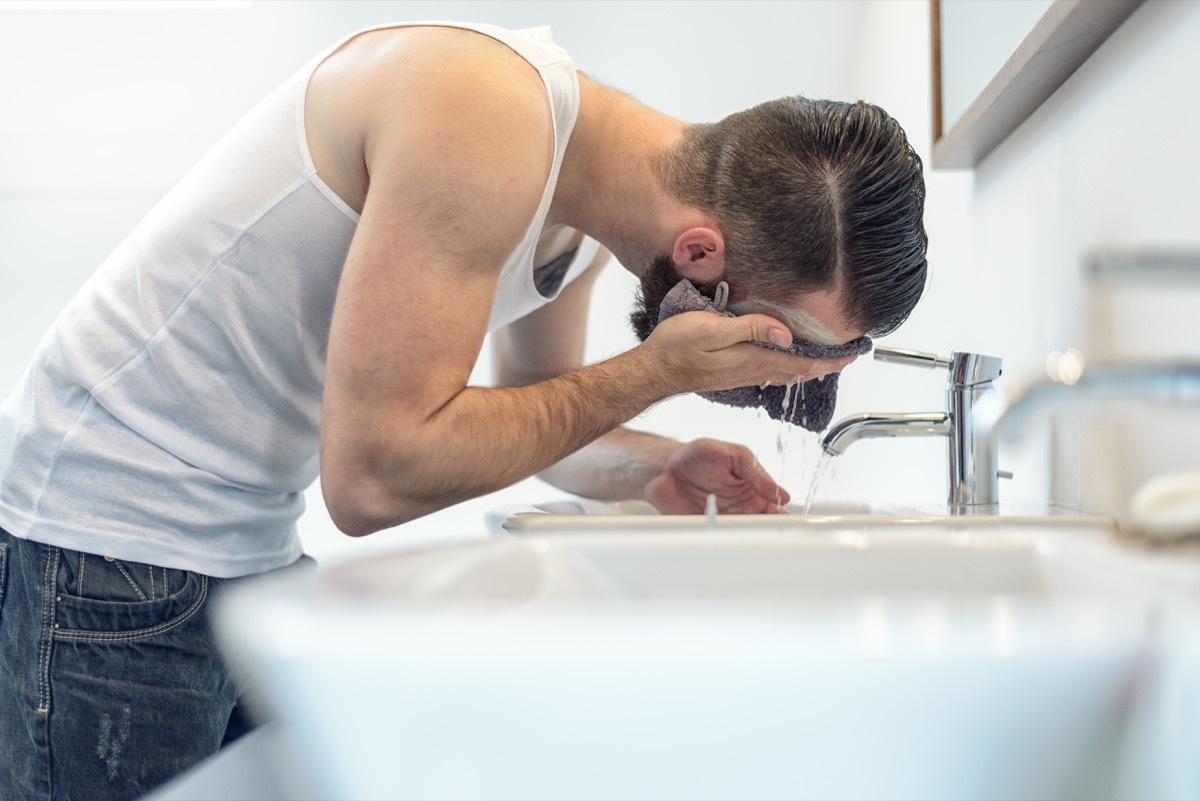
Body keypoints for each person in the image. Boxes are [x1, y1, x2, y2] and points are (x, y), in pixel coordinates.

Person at [0, 21, 927, 801]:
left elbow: (534, 424)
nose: (779, 379)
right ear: (699, 251)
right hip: (106, 542)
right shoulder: (481, 115)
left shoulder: (586, 200)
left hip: (235, 545)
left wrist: (649, 466)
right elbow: (374, 475)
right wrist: (652, 374)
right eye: (788, 342)